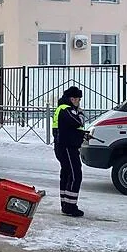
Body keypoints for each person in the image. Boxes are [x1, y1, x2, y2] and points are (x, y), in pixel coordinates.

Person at [52, 86, 86, 217]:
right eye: (78, 99)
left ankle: (66, 204)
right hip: (67, 147)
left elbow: (68, 128)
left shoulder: (63, 108)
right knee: (75, 175)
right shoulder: (66, 109)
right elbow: (78, 122)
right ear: (72, 99)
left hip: (64, 146)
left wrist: (80, 134)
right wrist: (81, 114)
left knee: (66, 174)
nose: (79, 102)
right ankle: (70, 207)